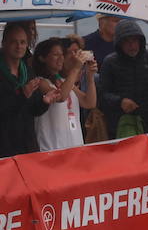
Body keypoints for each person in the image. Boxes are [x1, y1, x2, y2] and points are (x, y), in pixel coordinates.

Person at [99, 19, 148, 138]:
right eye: (126, 41)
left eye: (135, 40)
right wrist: (120, 101)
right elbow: (103, 94)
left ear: (141, 41)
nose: (132, 45)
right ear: (119, 43)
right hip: (119, 125)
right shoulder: (109, 63)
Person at [32, 37, 96, 152]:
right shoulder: (40, 82)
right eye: (56, 55)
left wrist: (90, 77)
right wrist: (76, 68)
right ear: (42, 58)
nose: (61, 58)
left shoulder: (65, 81)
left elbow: (89, 103)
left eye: (62, 54)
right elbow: (61, 97)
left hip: (75, 145)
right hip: (51, 148)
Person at [0, 23, 49, 157]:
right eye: (14, 42)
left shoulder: (27, 71)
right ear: (4, 43)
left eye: (23, 42)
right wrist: (23, 95)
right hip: (4, 147)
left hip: (27, 145)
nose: (19, 46)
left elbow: (34, 110)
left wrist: (45, 102)